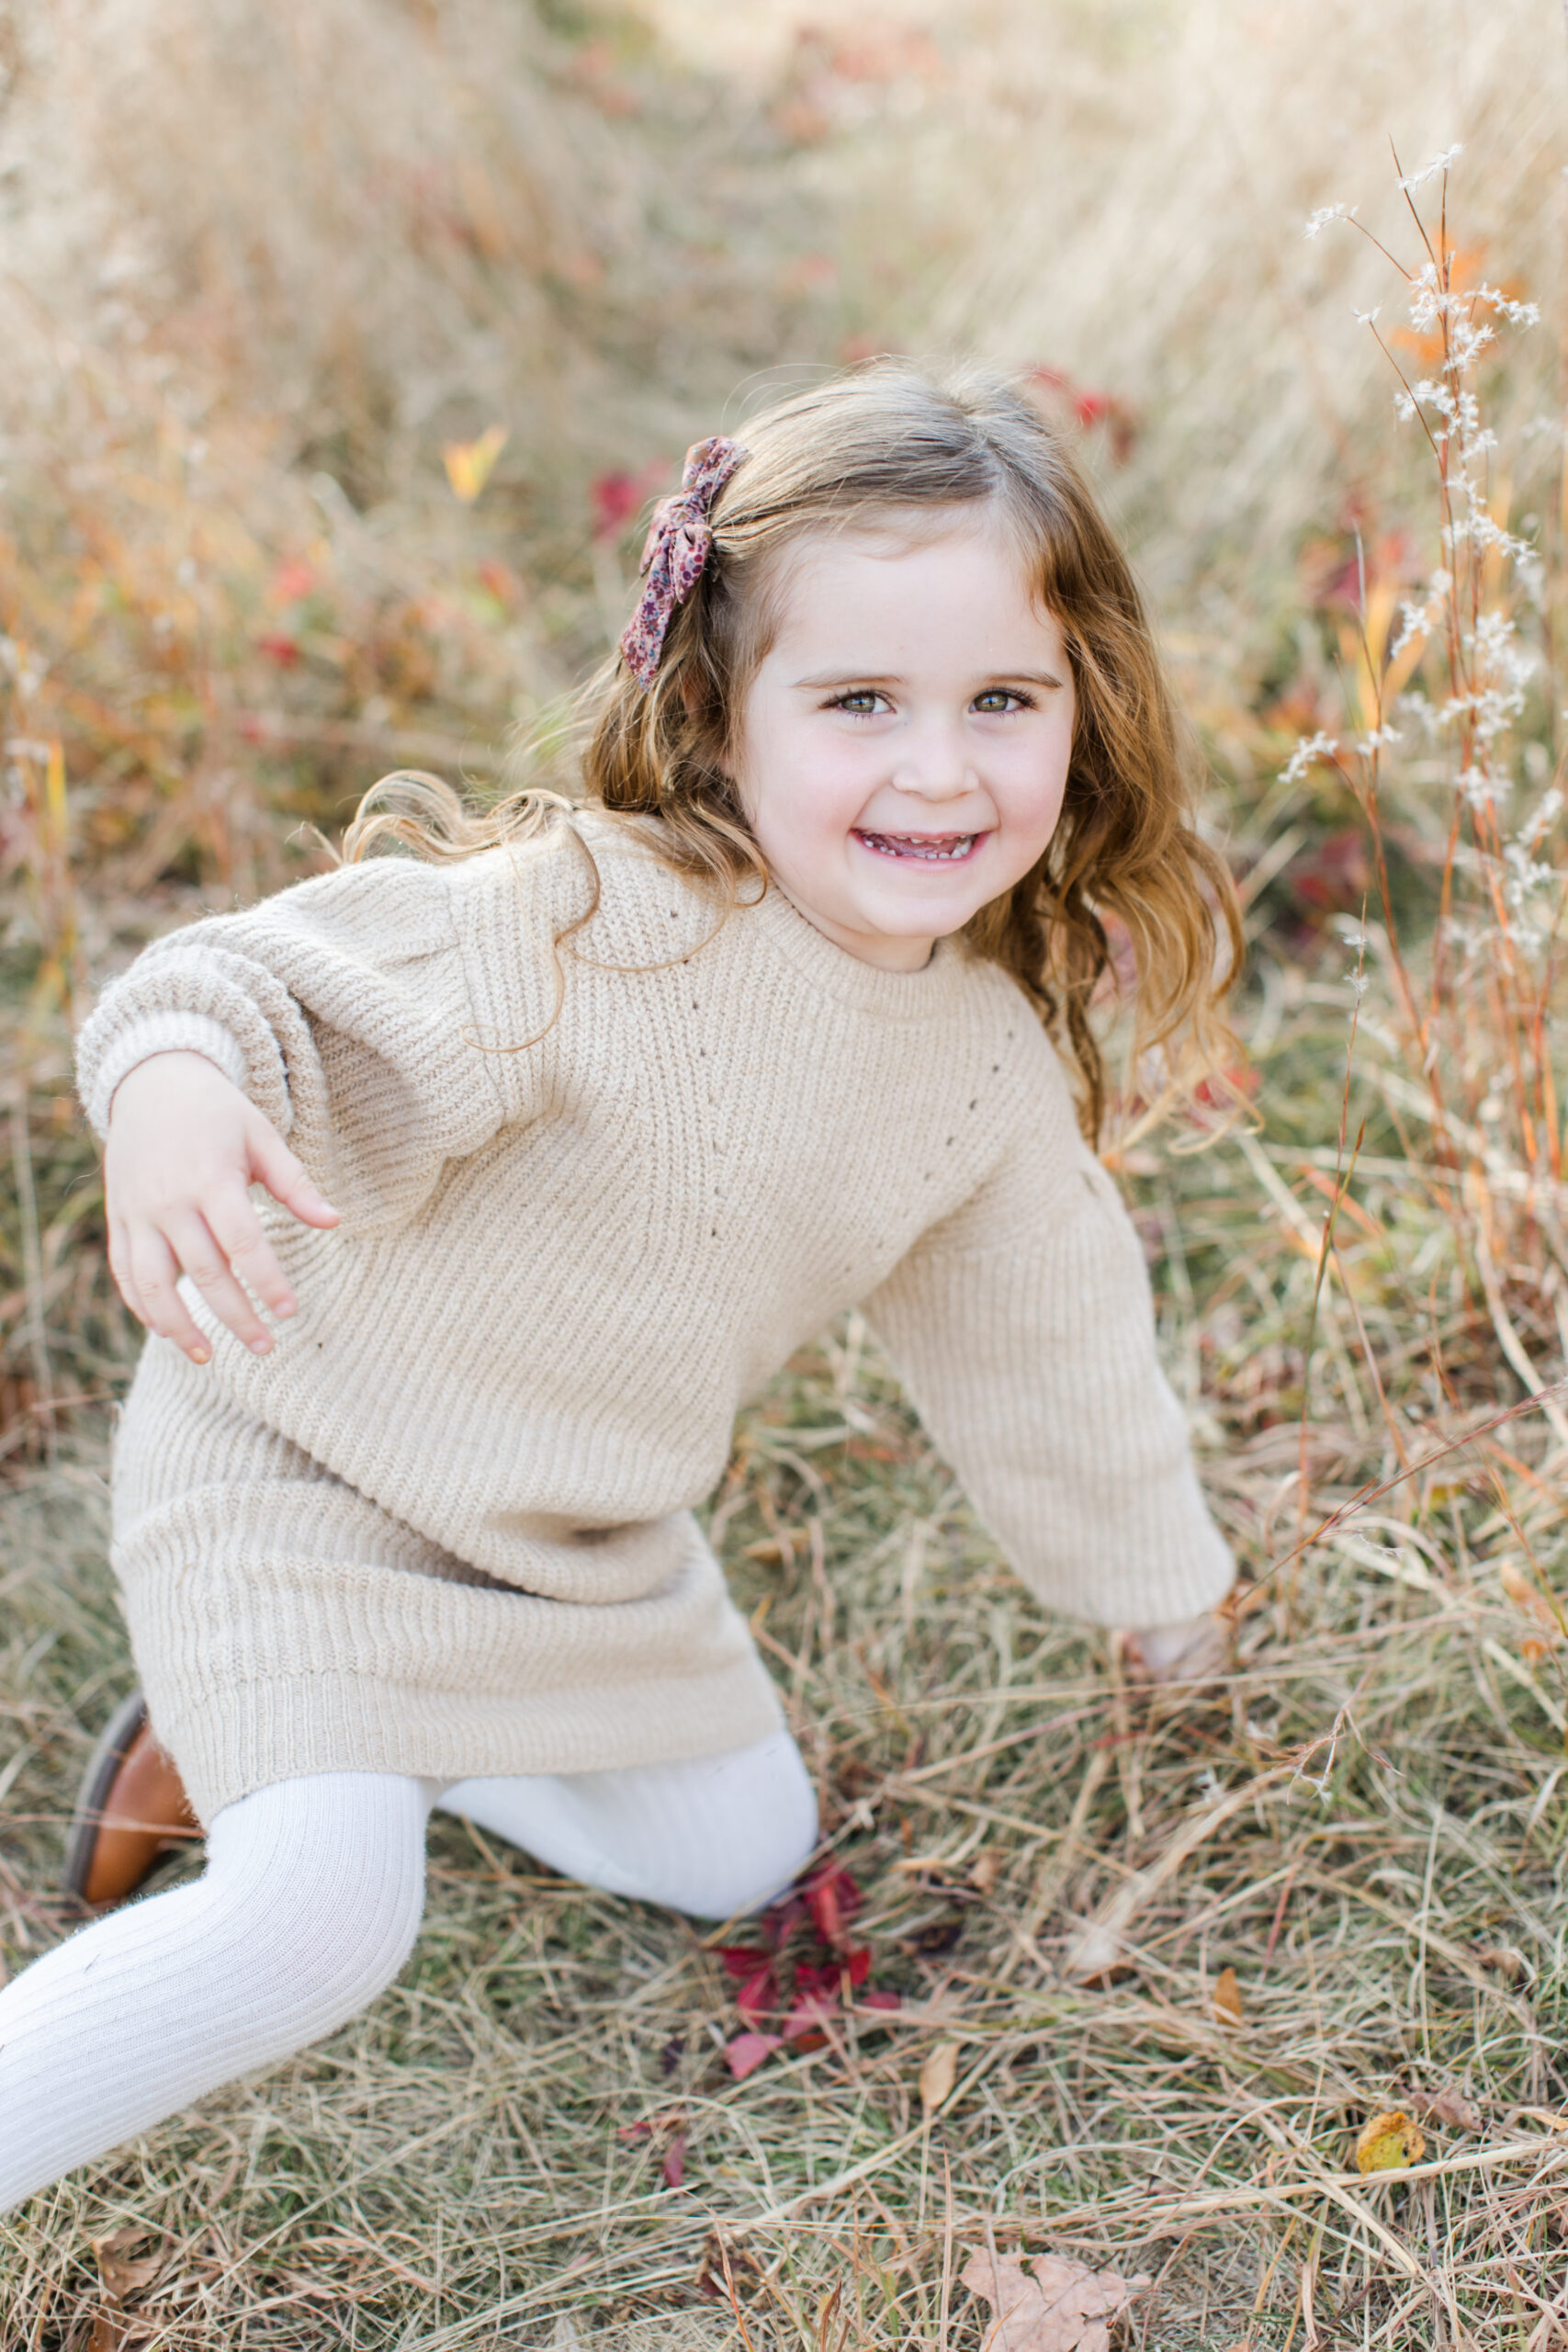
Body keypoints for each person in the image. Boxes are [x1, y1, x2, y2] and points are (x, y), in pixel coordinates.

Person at [0, 363, 1241, 2215]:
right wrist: (173, 1091)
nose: (936, 764)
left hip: (568, 1549)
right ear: (717, 716)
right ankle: (290, 1774)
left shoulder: (975, 1063)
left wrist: (1163, 1599)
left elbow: (1053, 1356)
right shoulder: (582, 921)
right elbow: (252, 982)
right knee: (321, 1916)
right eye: (855, 702)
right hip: (304, 1466)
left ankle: (330, 1743)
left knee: (749, 1845)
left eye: (1001, 698)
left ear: (1082, 706)